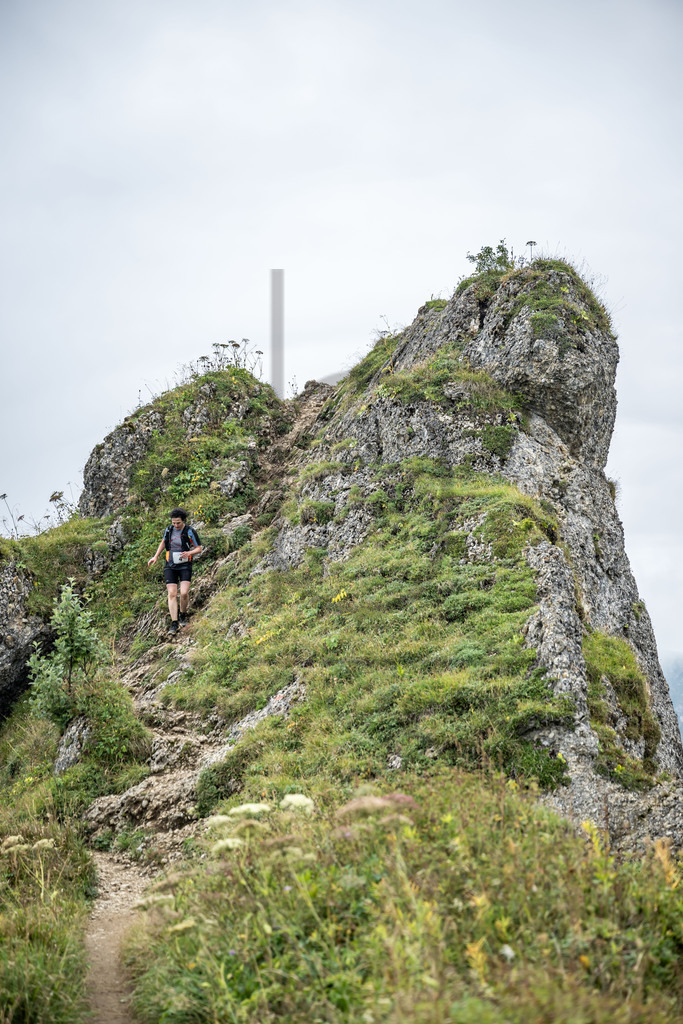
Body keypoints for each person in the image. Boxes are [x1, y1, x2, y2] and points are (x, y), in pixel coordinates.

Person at [148, 508, 203, 635]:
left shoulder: (189, 531)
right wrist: (155, 556)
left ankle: (183, 614)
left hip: (185, 565)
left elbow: (199, 548)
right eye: (174, 522)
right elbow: (163, 542)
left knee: (184, 593)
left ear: (183, 521)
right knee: (172, 593)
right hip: (170, 565)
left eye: (178, 522)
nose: (176, 525)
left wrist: (189, 552)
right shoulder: (169, 530)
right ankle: (174, 622)